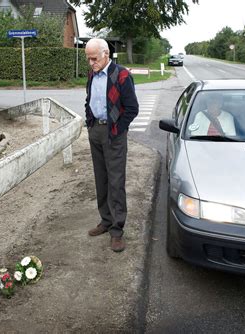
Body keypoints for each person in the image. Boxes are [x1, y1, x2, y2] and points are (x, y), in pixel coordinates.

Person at [84, 38, 139, 252]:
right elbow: (90, 99)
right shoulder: (92, 74)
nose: (91, 63)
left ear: (106, 54)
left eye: (94, 58)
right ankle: (105, 221)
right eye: (88, 59)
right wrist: (89, 122)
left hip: (114, 133)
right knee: (101, 179)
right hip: (95, 131)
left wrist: (117, 130)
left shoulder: (122, 75)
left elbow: (132, 108)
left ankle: (117, 230)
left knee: (116, 182)